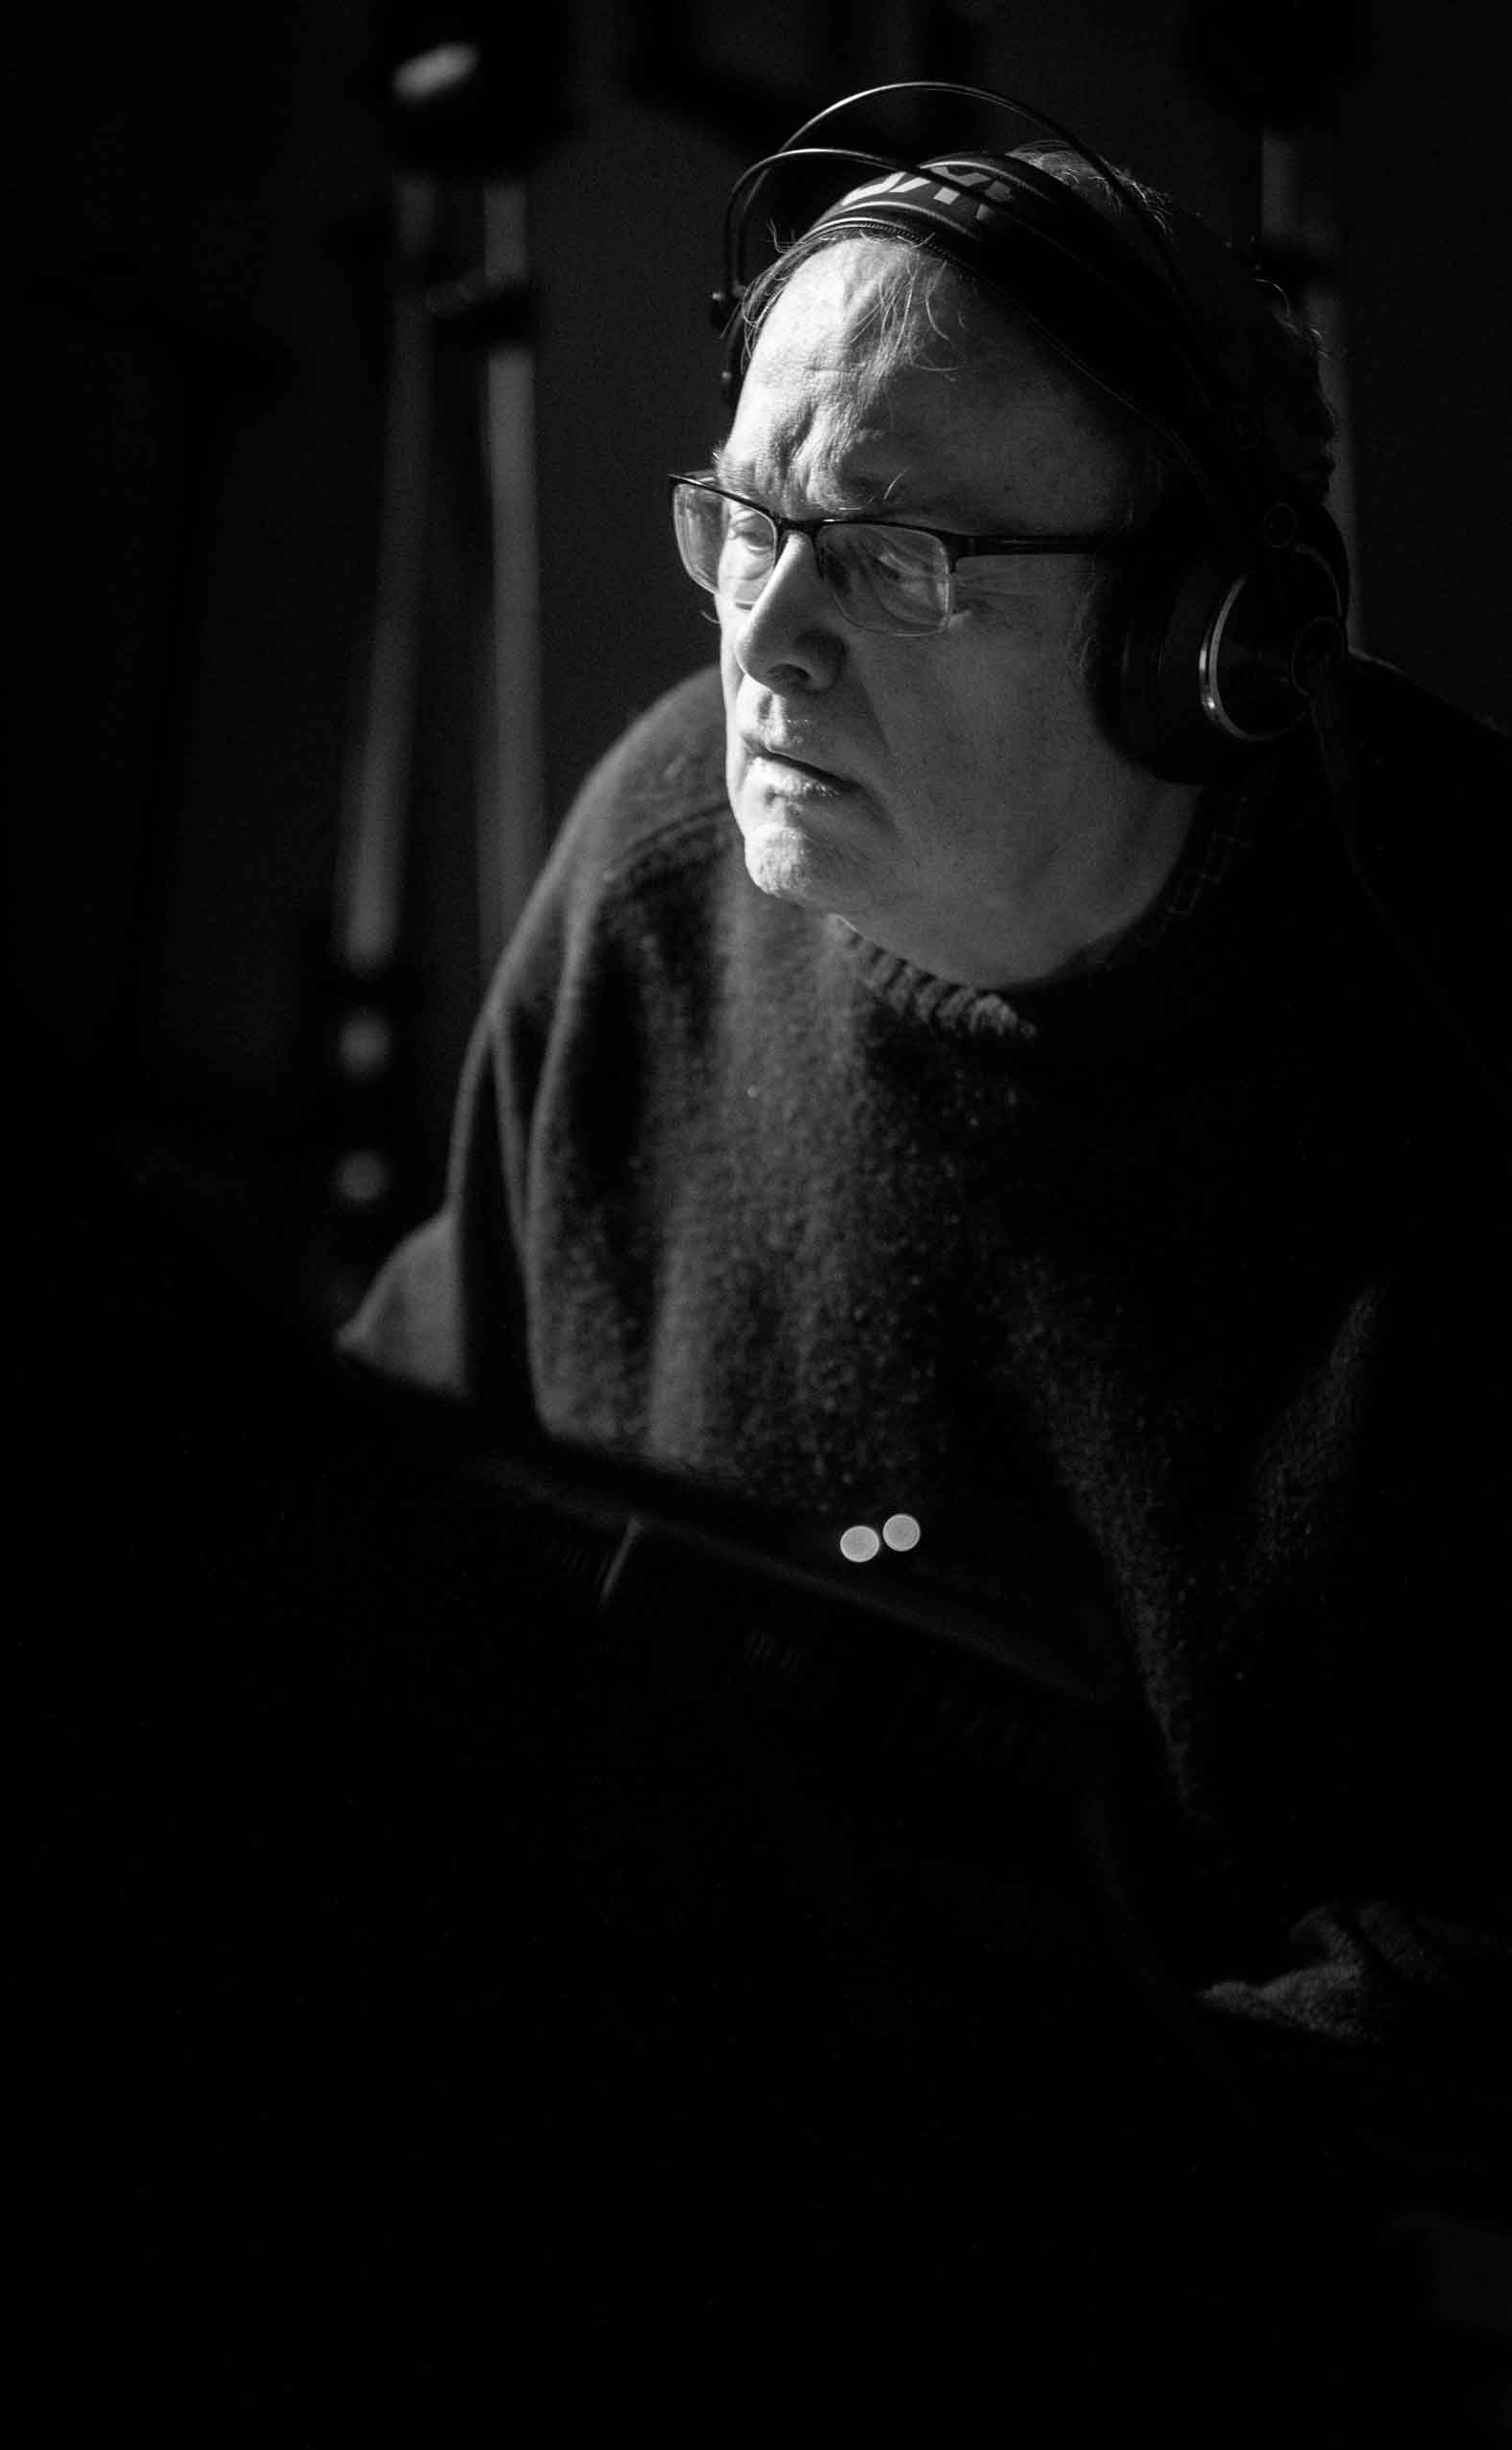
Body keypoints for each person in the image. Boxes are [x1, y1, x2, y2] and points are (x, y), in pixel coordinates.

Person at [340, 86, 1511, 2437]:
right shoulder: (655, 868)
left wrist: (1003, 2182)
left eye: (891, 558)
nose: (762, 646)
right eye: (744, 521)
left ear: (1196, 643)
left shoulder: (1456, 1029)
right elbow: (410, 1499)